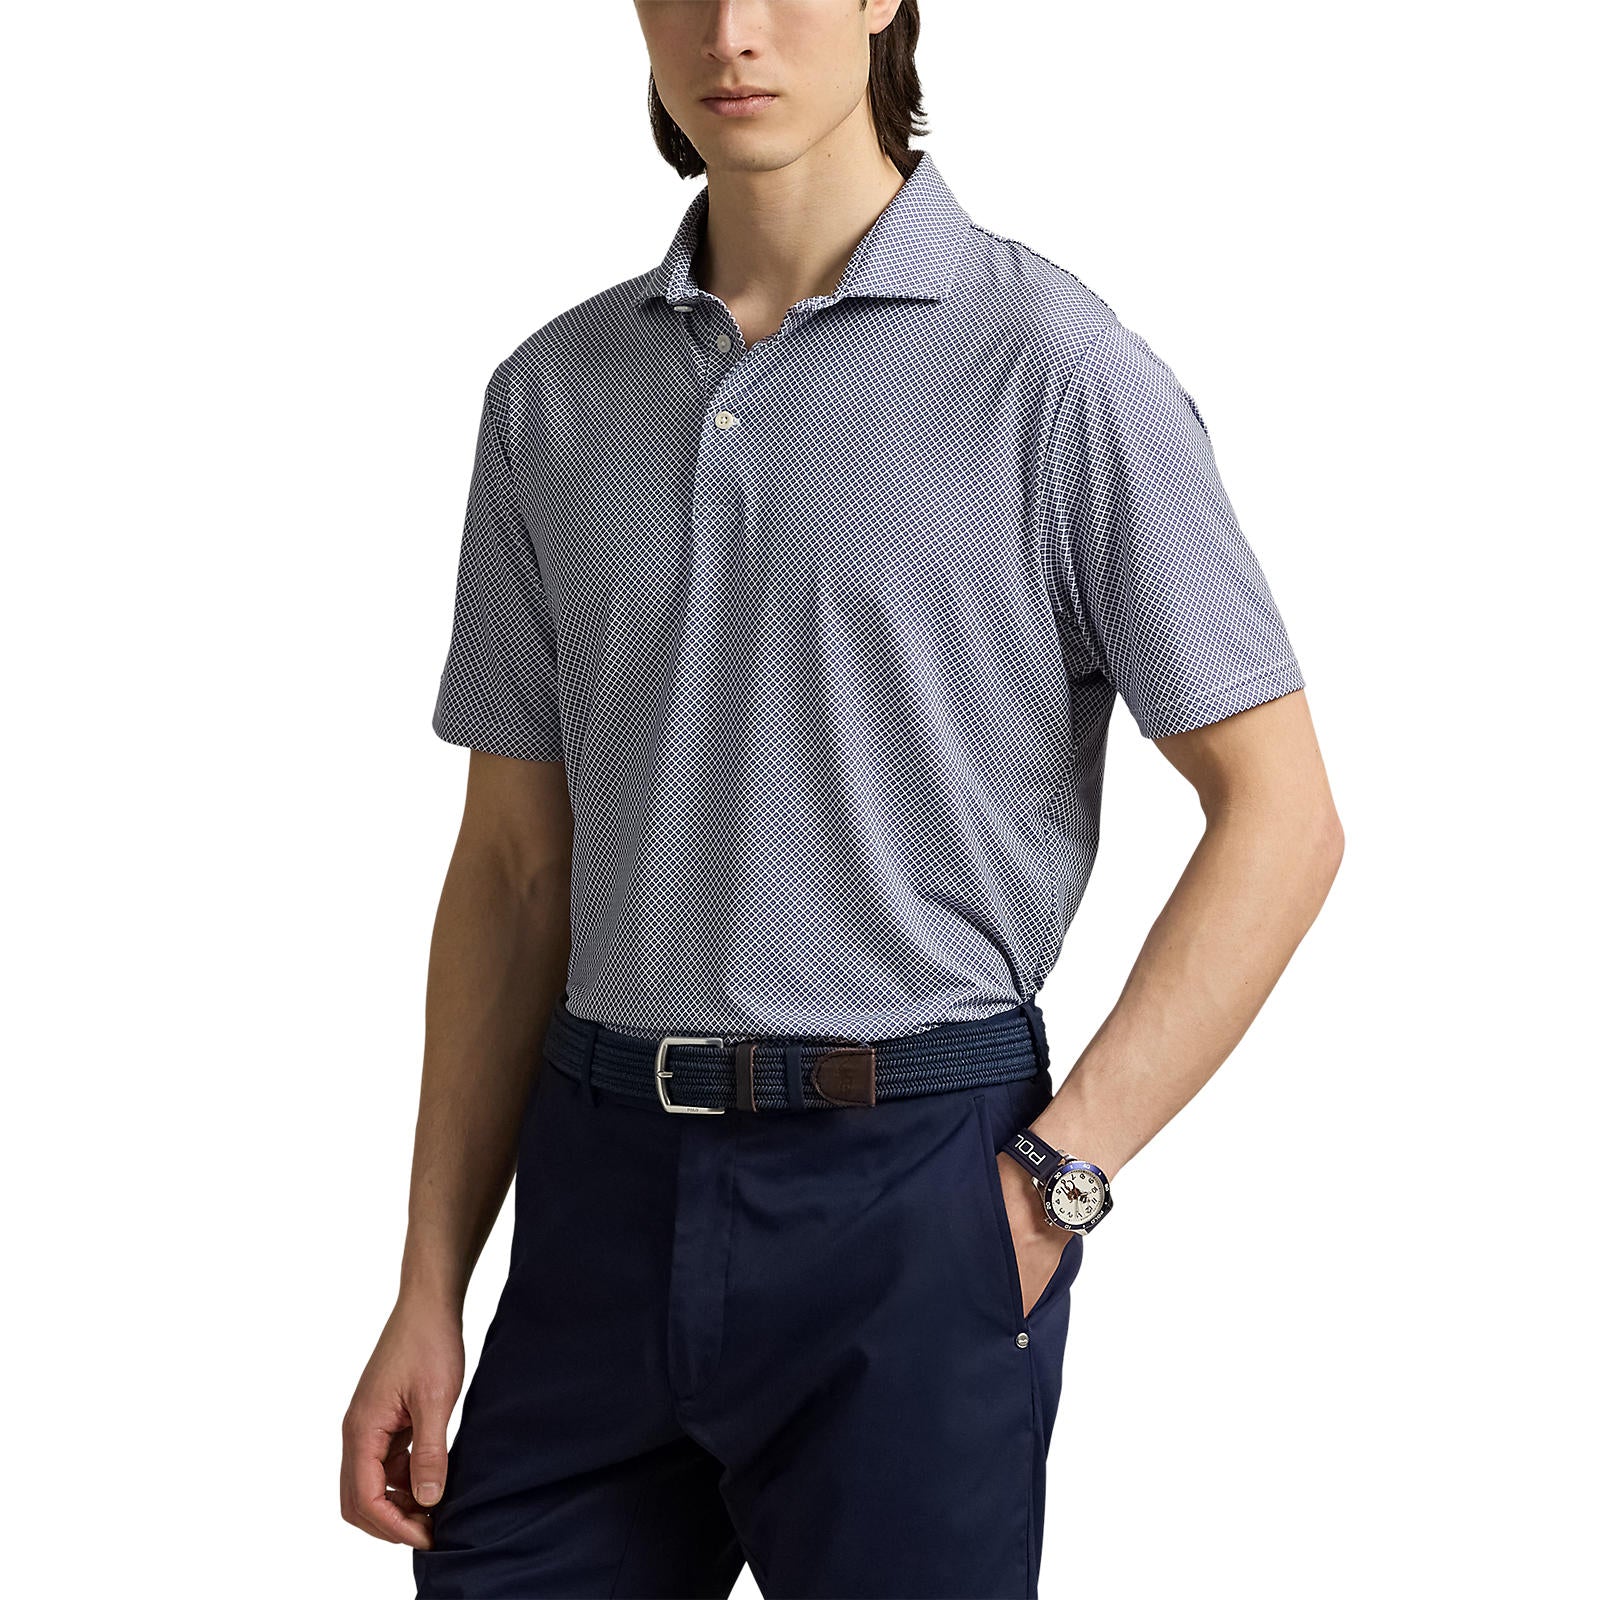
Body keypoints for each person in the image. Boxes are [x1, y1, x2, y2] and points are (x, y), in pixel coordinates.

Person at [340, 3, 1343, 1595]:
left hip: (914, 1187)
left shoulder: (1055, 371)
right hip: (597, 1190)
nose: (731, 31)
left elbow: (1281, 817)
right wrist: (427, 1286)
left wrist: (1056, 1182)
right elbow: (517, 870)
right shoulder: (552, 394)